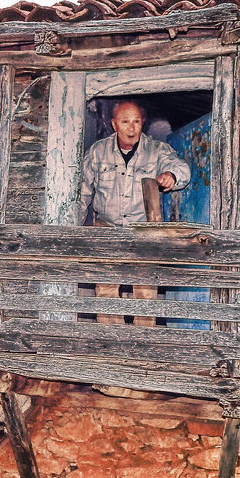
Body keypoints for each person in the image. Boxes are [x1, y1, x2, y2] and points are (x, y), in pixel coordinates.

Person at [79, 101, 191, 325]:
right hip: (107, 228)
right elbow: (82, 192)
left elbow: (181, 168)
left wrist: (172, 175)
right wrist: (72, 230)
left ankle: (143, 344)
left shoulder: (156, 150)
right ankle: (111, 343)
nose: (131, 128)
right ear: (114, 125)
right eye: (125, 122)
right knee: (106, 288)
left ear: (143, 123)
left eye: (136, 121)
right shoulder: (98, 151)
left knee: (146, 288)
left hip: (143, 230)